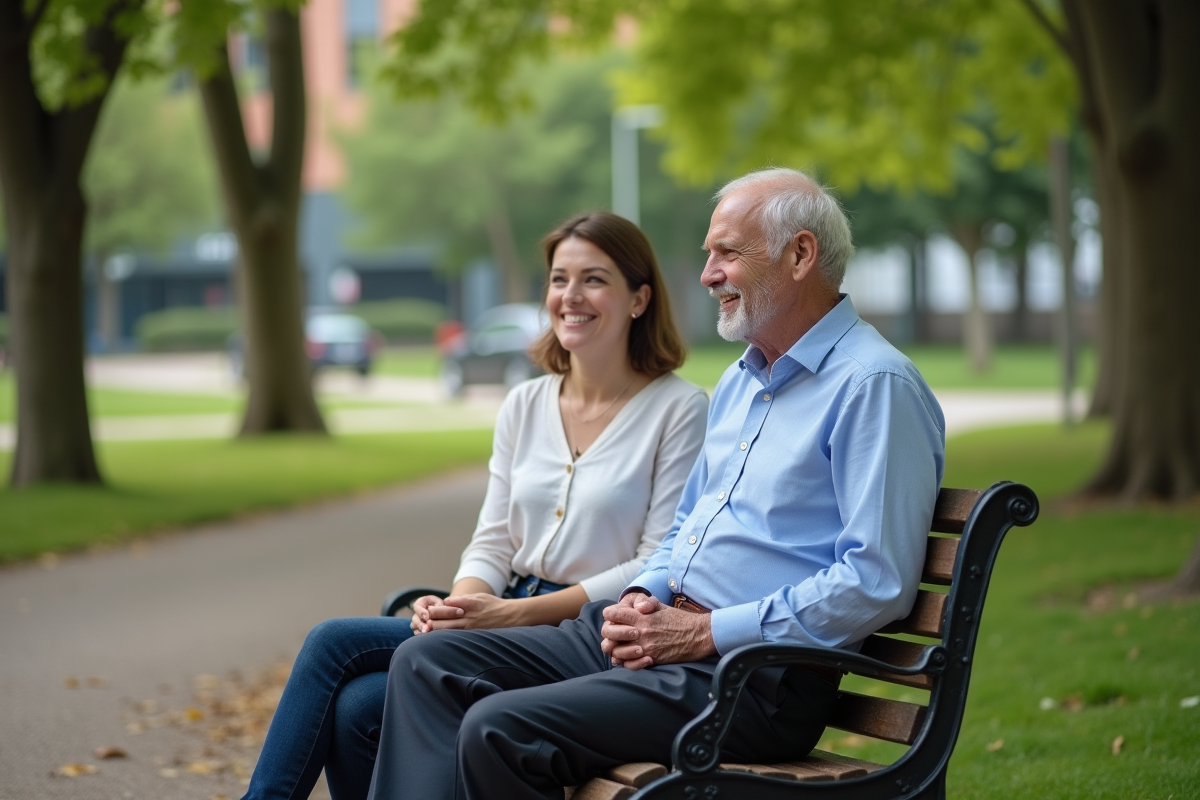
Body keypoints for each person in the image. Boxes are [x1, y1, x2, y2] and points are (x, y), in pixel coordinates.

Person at [364, 168, 947, 800]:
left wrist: (703, 632)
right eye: (708, 255)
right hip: (660, 635)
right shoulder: (742, 382)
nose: (707, 274)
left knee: (500, 728)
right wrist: (645, 592)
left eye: (728, 253)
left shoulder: (873, 385)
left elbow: (875, 582)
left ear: (800, 254)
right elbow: (685, 529)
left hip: (749, 677)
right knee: (428, 663)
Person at [240, 212, 708, 800]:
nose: (571, 296)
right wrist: (458, 608)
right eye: (559, 279)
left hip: (588, 635)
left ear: (639, 299)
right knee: (358, 707)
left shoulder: (680, 409)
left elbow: (654, 562)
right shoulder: (525, 403)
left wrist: (510, 616)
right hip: (503, 612)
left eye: (594, 279)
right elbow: (493, 540)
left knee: (333, 641)